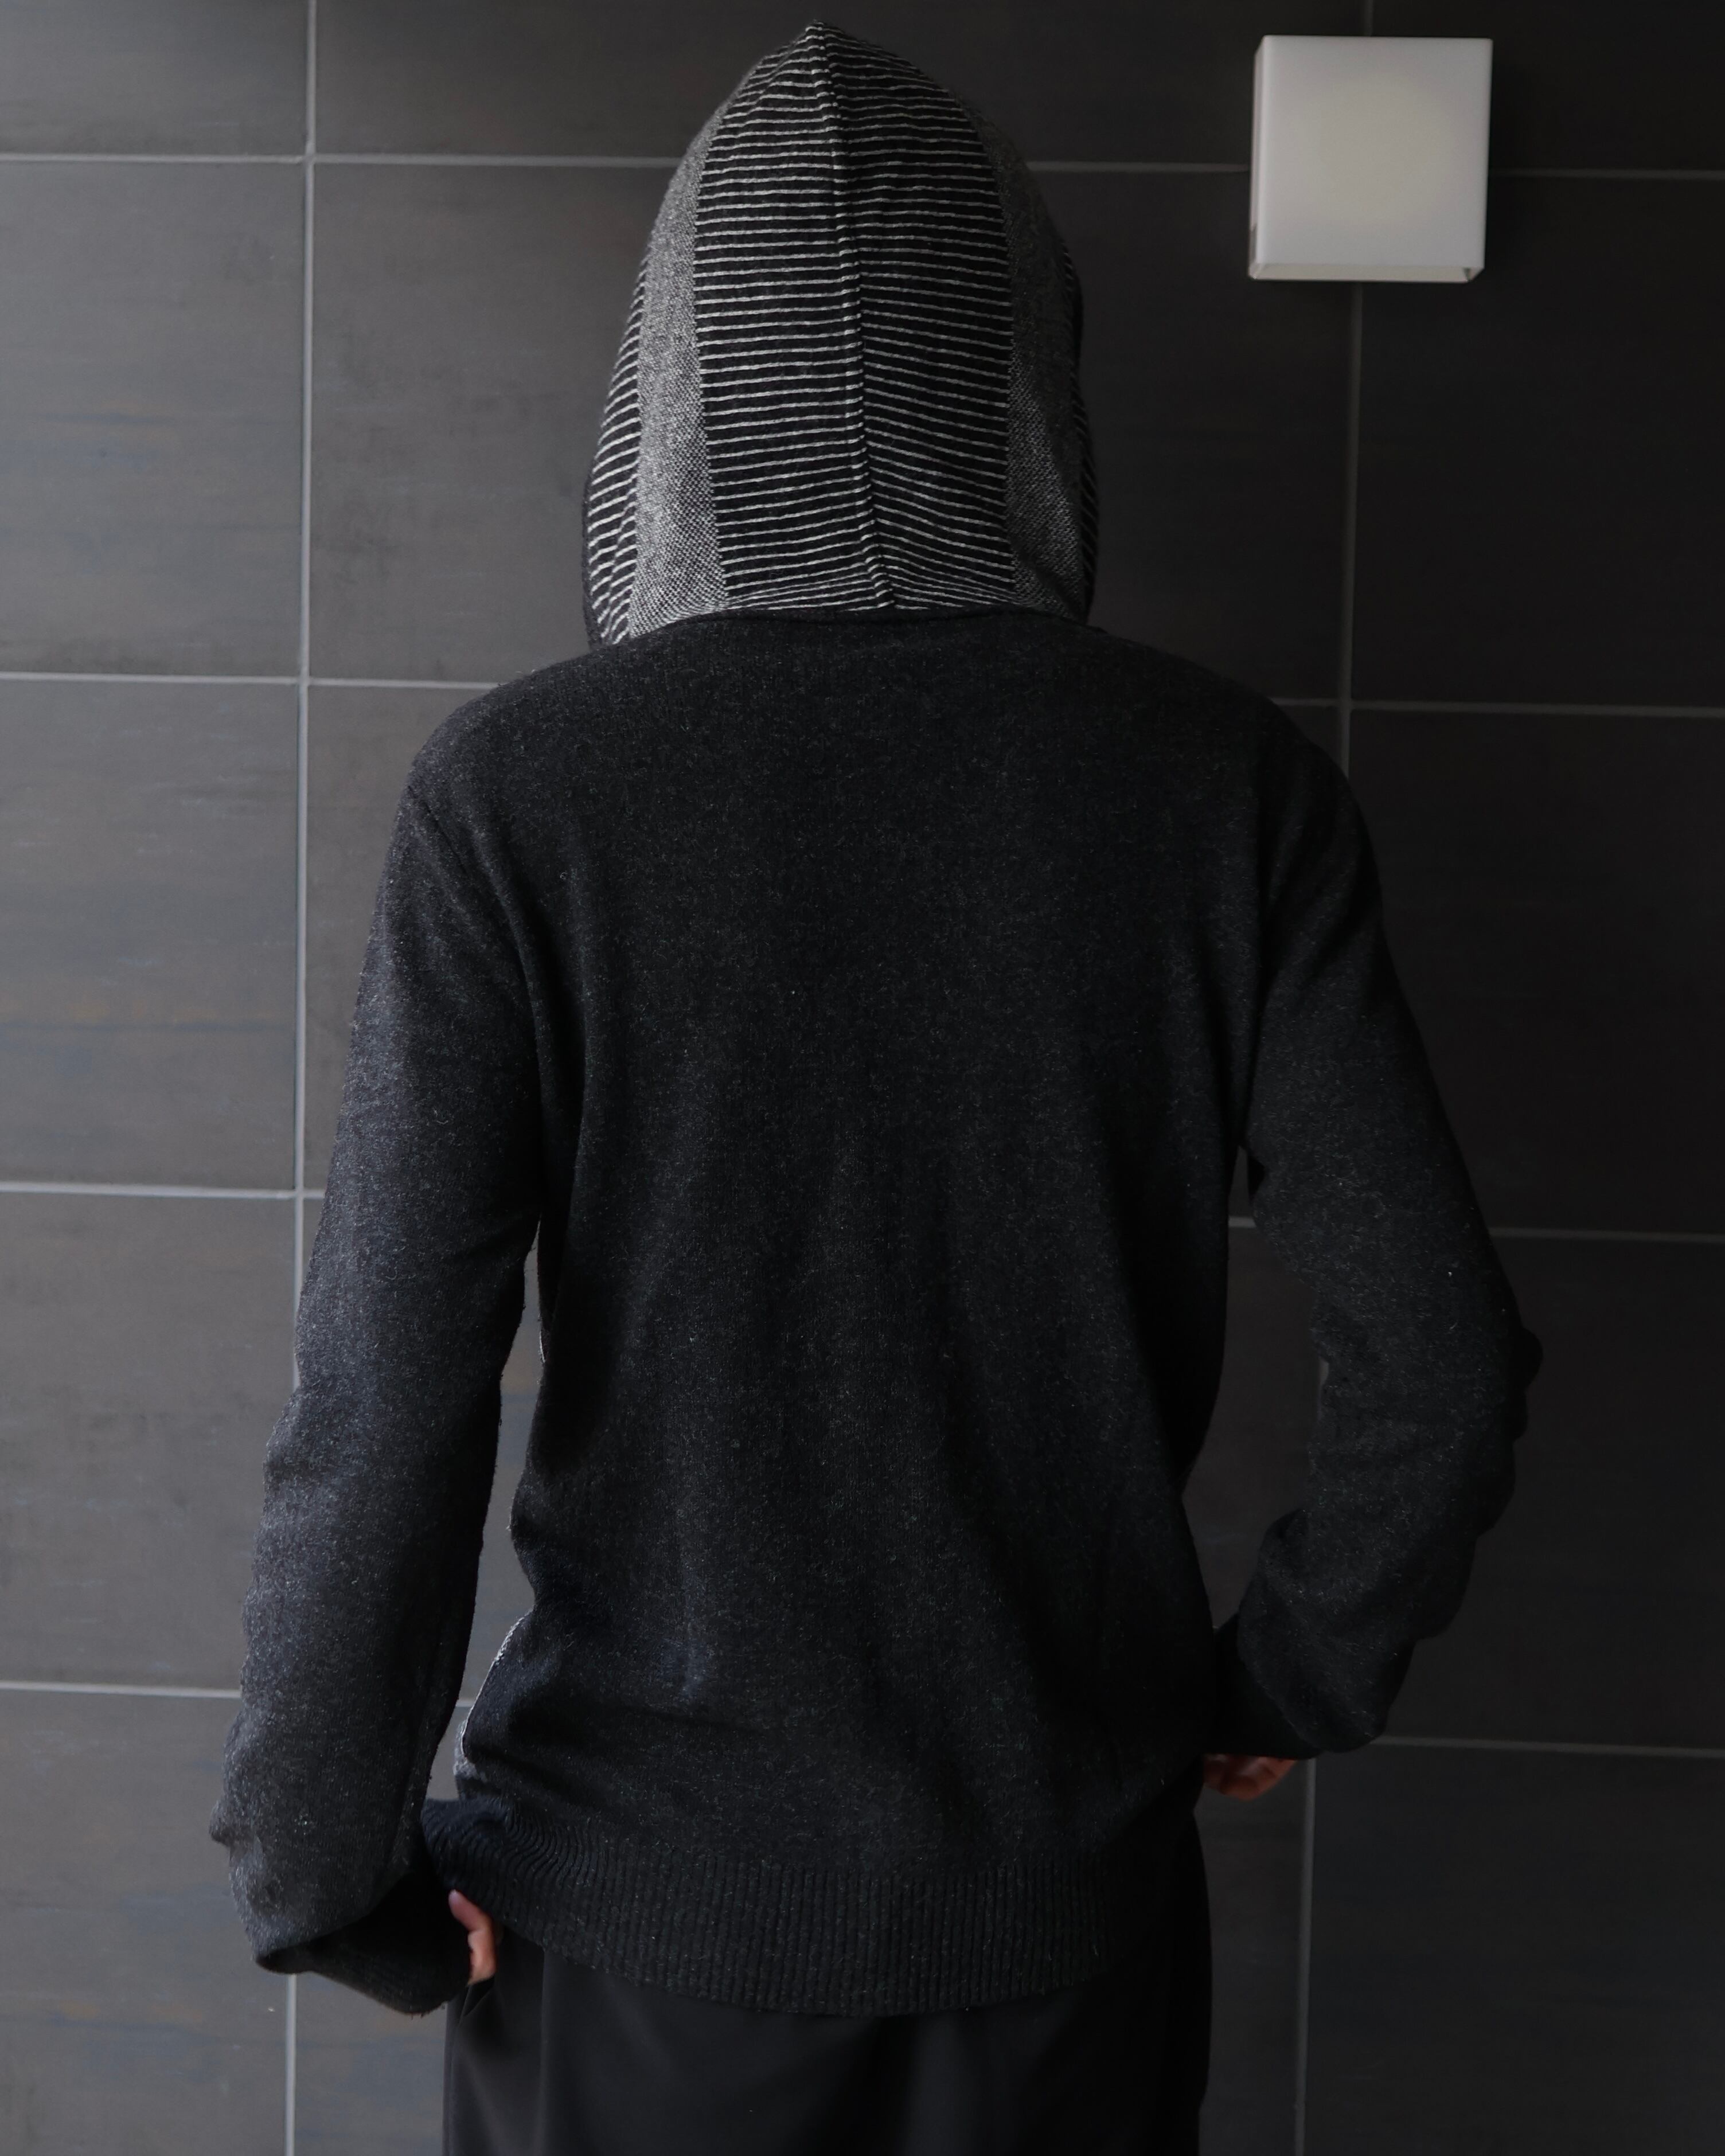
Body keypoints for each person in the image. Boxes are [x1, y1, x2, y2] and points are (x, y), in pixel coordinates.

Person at [212, 22, 1539, 2154]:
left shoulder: (526, 795)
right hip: (1063, 1922)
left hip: (628, 1932)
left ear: (672, 390)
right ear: (1020, 381)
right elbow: (1443, 1360)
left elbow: (387, 1394)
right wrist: (1289, 1671)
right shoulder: (1224, 792)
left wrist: (323, 1866)